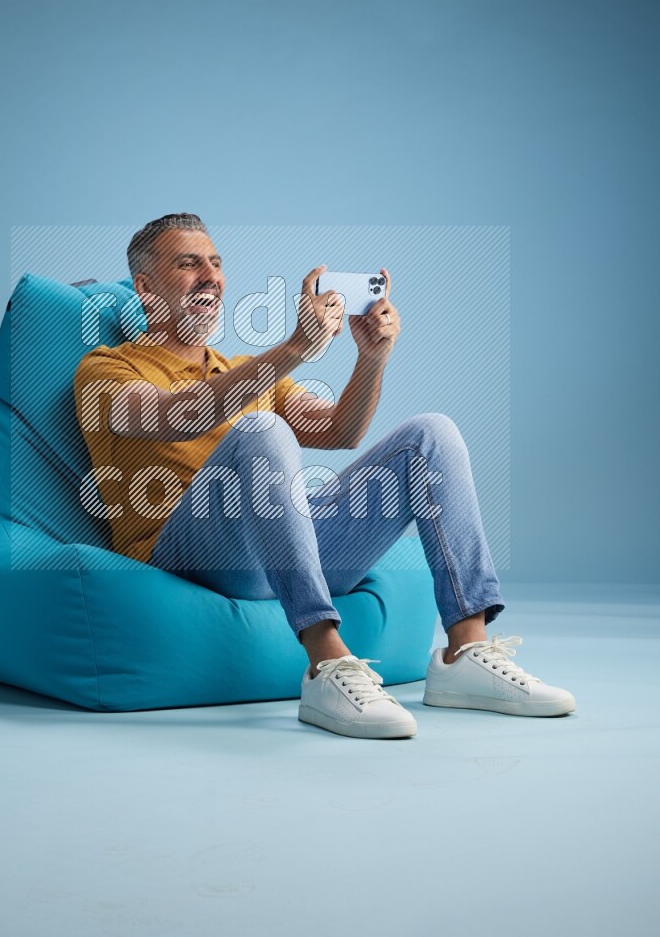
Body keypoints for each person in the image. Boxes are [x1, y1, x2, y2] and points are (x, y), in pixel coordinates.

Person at [74, 213, 575, 739]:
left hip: (281, 550)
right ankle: (326, 663)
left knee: (431, 434)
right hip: (190, 557)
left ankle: (466, 652)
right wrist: (295, 349)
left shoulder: (242, 369)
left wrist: (371, 358)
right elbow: (181, 415)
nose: (211, 276)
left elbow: (341, 430)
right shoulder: (106, 370)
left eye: (216, 263)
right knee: (264, 429)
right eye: (188, 264)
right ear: (146, 287)